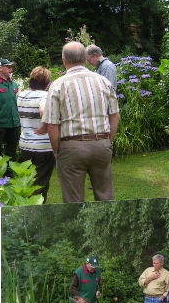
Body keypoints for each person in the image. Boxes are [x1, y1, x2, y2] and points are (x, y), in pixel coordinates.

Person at [42, 42, 120, 202]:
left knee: (73, 200)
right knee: (105, 196)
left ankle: (77, 227)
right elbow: (114, 115)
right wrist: (107, 141)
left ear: (64, 60)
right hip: (101, 143)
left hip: (71, 146)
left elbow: (51, 125)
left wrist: (56, 151)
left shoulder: (58, 85)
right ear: (84, 58)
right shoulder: (103, 82)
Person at [17, 67, 55, 199]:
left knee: (28, 179)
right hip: (43, 146)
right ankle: (38, 209)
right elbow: (43, 111)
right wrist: (44, 126)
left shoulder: (22, 95)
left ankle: (26, 206)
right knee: (41, 181)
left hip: (25, 144)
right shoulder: (45, 96)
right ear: (47, 83)